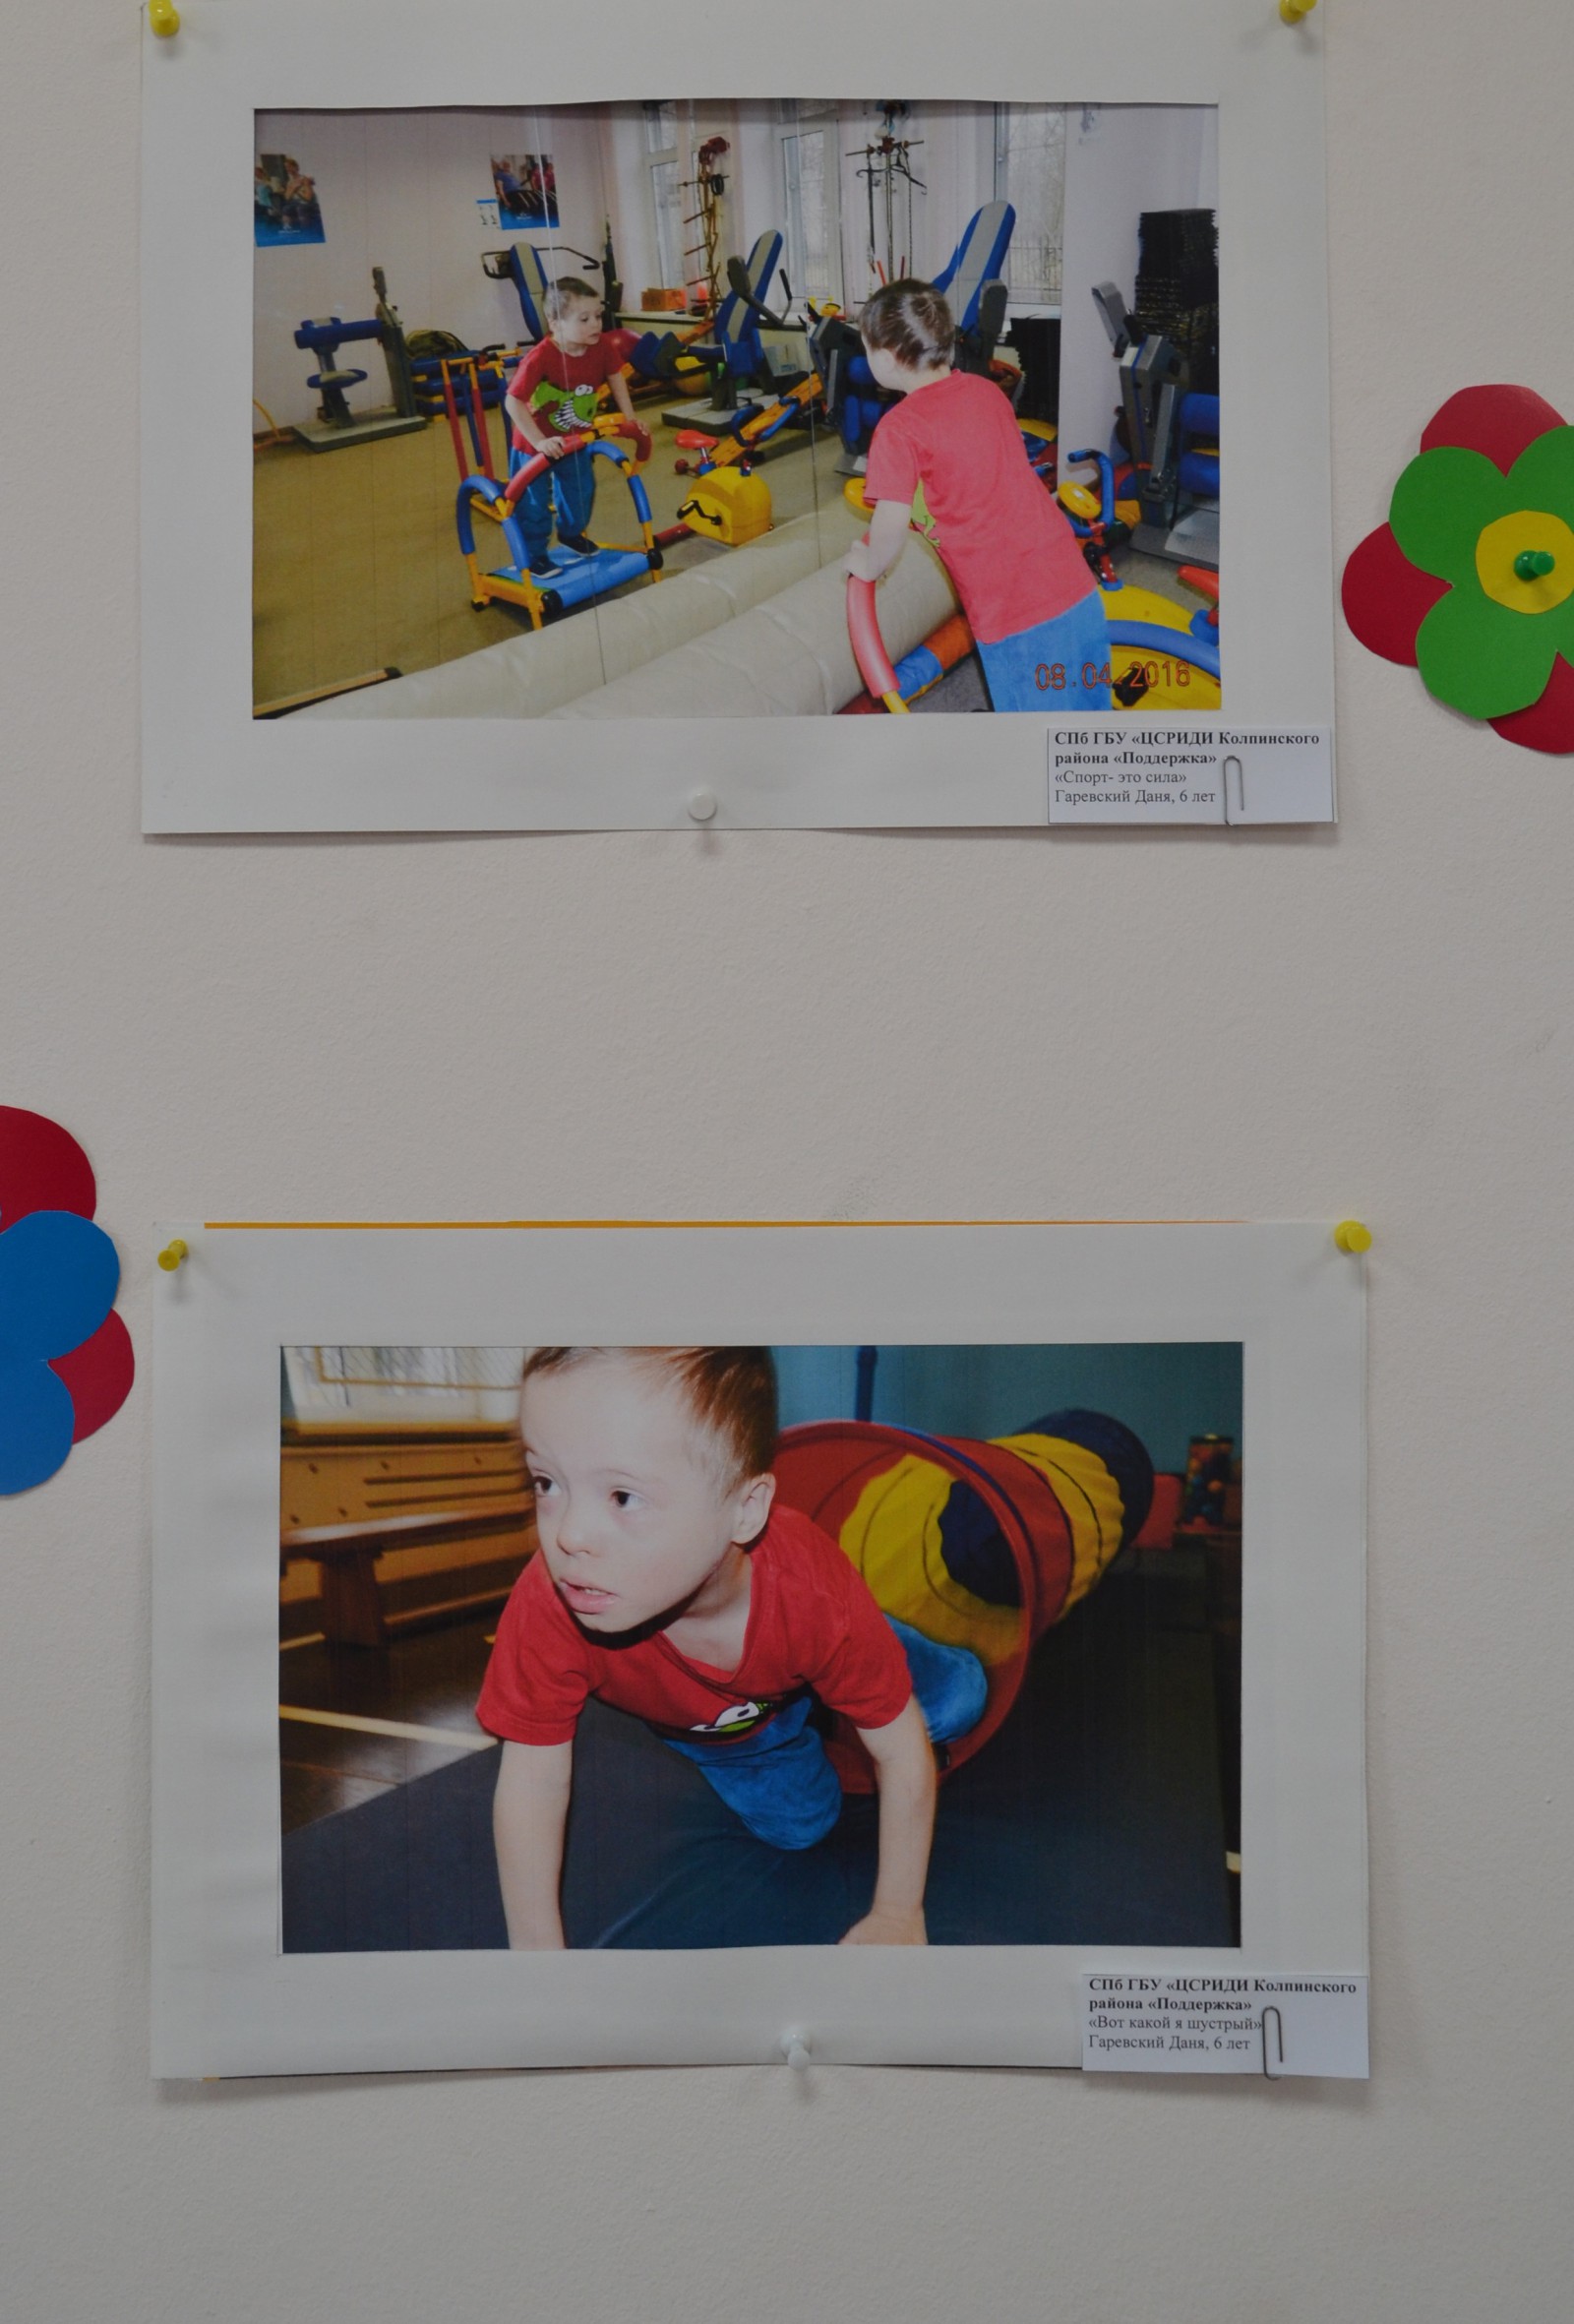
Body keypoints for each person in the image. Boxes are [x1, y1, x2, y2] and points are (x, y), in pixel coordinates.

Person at [477, 1346, 988, 1949]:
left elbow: (900, 1753)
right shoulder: (552, 1599)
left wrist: (898, 1912)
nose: (568, 1535)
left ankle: (875, 1654)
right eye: (546, 1483)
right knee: (800, 1827)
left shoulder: (810, 1596)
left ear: (744, 1511)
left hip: (814, 1636)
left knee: (957, 1702)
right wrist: (537, 1962)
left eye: (622, 1497)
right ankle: (815, 1713)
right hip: (730, 1727)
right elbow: (533, 1779)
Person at [845, 278, 1112, 712]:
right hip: (1074, 583)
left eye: (866, 348)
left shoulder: (898, 428)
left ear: (888, 359)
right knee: (1087, 712)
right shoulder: (986, 390)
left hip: (1013, 612)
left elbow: (890, 523)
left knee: (1034, 733)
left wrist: (870, 564)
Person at [503, 278, 647, 578]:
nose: (595, 324)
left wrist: (629, 417)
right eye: (584, 319)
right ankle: (534, 555)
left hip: (575, 439)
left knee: (581, 491)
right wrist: (540, 442)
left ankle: (570, 533)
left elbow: (616, 376)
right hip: (533, 444)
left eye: (598, 315)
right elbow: (512, 402)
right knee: (533, 504)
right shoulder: (540, 357)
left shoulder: (602, 346)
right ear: (555, 323)